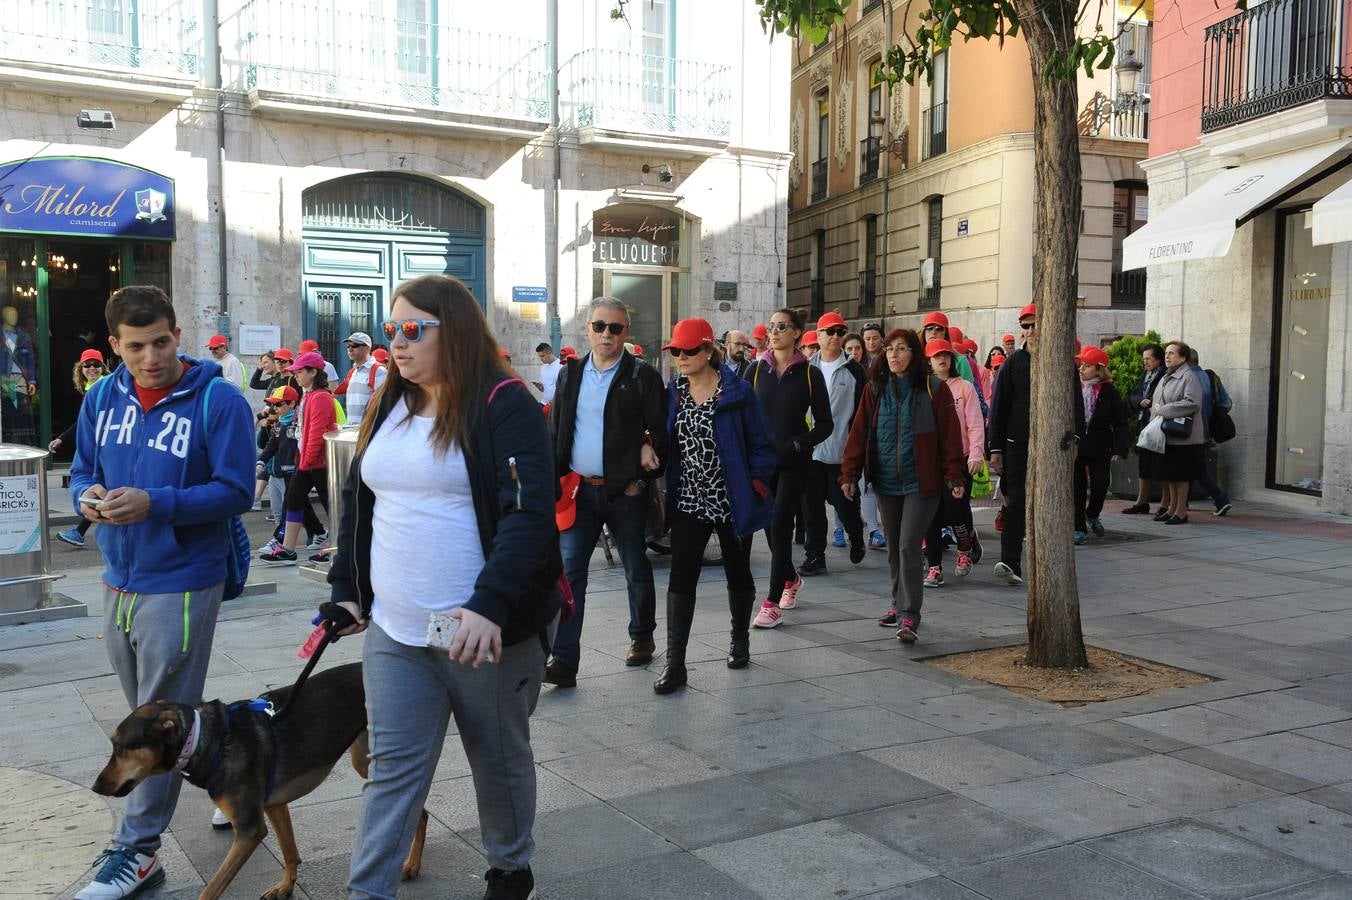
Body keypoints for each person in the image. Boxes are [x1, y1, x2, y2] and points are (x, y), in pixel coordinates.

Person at [323, 274, 560, 900]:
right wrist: (348, 590)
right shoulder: (387, 402)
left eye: (412, 330)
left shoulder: (504, 402)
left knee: (497, 759)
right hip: (396, 630)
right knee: (391, 771)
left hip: (481, 632)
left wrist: (490, 604)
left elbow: (529, 513)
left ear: (450, 331)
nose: (396, 344)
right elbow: (358, 502)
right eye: (390, 331)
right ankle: (366, 892)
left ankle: (510, 868)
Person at [70, 285, 254, 900]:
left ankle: (138, 850)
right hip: (117, 576)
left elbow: (236, 492)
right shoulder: (100, 396)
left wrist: (158, 503)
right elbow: (83, 471)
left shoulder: (219, 400)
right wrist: (86, 500)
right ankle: (230, 776)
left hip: (182, 579)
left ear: (179, 334)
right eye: (135, 348)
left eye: (161, 342)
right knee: (156, 711)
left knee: (154, 721)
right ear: (114, 348)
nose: (150, 358)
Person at [547, 297, 668, 687]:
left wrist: (643, 469)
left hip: (625, 492)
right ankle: (564, 661)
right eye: (600, 326)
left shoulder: (641, 376)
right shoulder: (571, 373)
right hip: (580, 490)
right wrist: (553, 479)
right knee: (570, 574)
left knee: (635, 566)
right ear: (588, 329)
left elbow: (662, 433)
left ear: (625, 333)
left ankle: (642, 636)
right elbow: (558, 431)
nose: (606, 335)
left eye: (615, 328)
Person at [653, 318, 775, 693]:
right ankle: (676, 664)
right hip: (689, 498)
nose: (681, 358)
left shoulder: (737, 393)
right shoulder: (674, 393)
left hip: (730, 498)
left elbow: (762, 446)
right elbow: (661, 439)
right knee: (681, 576)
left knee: (737, 572)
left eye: (689, 350)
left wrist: (754, 484)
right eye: (676, 351)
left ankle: (740, 640)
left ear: (708, 351)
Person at [841, 329, 965, 644]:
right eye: (890, 349)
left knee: (910, 544)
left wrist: (954, 476)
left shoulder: (933, 389)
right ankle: (896, 603)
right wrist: (849, 474)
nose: (894, 355)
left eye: (902, 349)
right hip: (886, 481)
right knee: (895, 547)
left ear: (914, 353)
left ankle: (911, 612)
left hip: (922, 481)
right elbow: (858, 435)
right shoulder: (875, 390)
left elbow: (950, 438)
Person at [747, 308, 832, 627]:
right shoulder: (755, 370)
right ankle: (791, 578)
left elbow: (826, 424)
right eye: (771, 326)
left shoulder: (811, 374)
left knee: (781, 523)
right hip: (762, 462)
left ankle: (770, 603)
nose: (774, 331)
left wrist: (799, 442)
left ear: (797, 332)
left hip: (795, 463)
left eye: (781, 326)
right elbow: (741, 413)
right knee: (769, 529)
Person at [800, 312, 867, 575]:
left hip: (842, 453)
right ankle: (815, 556)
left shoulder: (854, 370)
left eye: (841, 331)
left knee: (846, 506)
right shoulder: (806, 368)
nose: (836, 337)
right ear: (818, 336)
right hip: (811, 453)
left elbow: (863, 413)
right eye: (830, 331)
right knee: (812, 508)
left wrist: (859, 450)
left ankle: (856, 534)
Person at [259, 350, 336, 563]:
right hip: (307, 461)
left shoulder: (320, 397)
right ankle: (288, 549)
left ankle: (336, 547)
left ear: (313, 372)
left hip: (319, 463)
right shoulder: (308, 396)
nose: (297, 375)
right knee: (294, 501)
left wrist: (306, 462)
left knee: (332, 506)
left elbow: (316, 434)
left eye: (300, 371)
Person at [919, 339, 984, 589]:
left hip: (959, 460)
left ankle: (964, 546)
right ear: (929, 361)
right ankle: (934, 567)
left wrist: (977, 454)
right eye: (936, 356)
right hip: (930, 461)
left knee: (956, 509)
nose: (942, 360)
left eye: (946, 355)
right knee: (931, 516)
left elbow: (976, 423)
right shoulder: (923, 388)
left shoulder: (965, 387)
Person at [987, 304, 1036, 585]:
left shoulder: (1062, 360)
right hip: (1016, 445)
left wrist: (1075, 439)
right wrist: (995, 448)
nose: (1030, 331)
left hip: (1051, 448)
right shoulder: (1013, 363)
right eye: (1025, 326)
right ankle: (1010, 561)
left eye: (1034, 324)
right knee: (1015, 503)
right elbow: (998, 407)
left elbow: (1075, 403)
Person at [52, 350, 109, 547]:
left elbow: (83, 424)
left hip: (104, 446)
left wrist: (62, 439)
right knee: (100, 487)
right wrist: (62, 438)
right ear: (80, 368)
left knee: (101, 485)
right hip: (95, 446)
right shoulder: (90, 388)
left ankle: (79, 532)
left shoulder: (103, 388)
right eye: (87, 365)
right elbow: (83, 423)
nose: (92, 368)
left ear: (103, 367)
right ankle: (80, 532)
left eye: (96, 365)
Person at [1073, 345, 1128, 544]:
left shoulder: (1109, 391)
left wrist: (1120, 448)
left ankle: (1092, 513)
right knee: (1077, 489)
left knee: (1100, 485)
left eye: (1086, 366)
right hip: (1077, 446)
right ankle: (1078, 528)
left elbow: (1120, 421)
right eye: (1081, 365)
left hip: (1100, 445)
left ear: (1098, 369)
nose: (1081, 369)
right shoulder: (1073, 386)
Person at [1151, 341, 1205, 526]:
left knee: (1181, 475)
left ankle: (1181, 512)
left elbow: (1193, 402)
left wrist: (1165, 410)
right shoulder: (1166, 375)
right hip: (1168, 435)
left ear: (1183, 357)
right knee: (1171, 474)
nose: (1167, 356)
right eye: (1166, 353)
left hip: (1184, 437)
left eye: (1172, 353)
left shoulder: (1188, 376)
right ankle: (1172, 508)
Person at [1123, 343, 1166, 516]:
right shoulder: (1146, 374)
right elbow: (1134, 394)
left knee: (1161, 465)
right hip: (1144, 423)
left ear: (1158, 359)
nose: (1145, 362)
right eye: (1144, 359)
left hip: (1158, 423)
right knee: (1144, 463)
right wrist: (1139, 401)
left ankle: (1165, 503)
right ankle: (1142, 501)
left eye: (1148, 358)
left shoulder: (1164, 374)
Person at [1191, 351, 1235, 517]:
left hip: (1191, 432)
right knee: (1192, 466)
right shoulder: (1210, 376)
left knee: (1196, 469)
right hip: (1207, 430)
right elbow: (1227, 403)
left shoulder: (1188, 378)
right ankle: (1180, 503)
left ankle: (1221, 498)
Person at [334, 331, 388, 425]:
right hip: (352, 431)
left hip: (369, 431)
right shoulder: (353, 372)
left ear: (367, 348)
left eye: (354, 345)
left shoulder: (379, 371)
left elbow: (385, 405)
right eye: (348, 346)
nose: (350, 349)